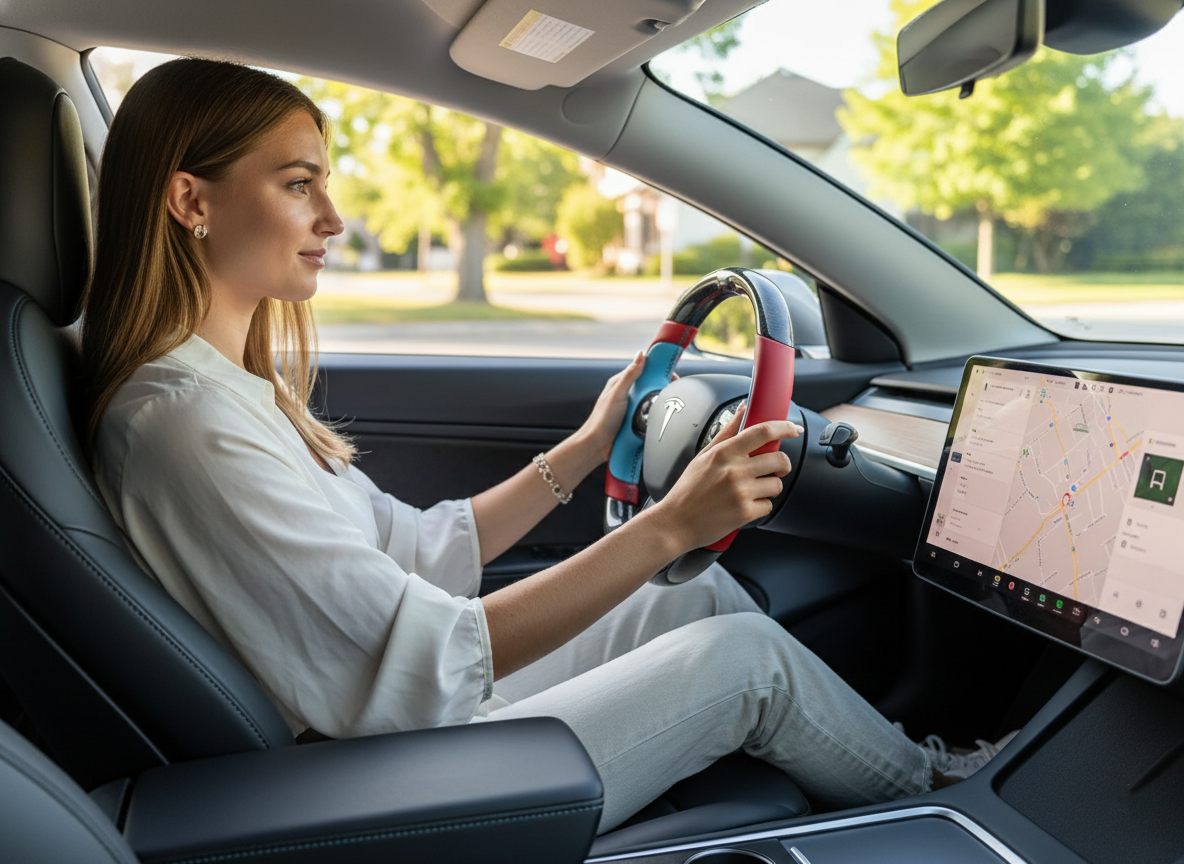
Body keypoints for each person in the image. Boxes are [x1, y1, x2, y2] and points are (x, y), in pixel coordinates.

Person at [81, 58, 976, 834]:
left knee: (693, 600)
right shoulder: (184, 423)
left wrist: (589, 446)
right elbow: (417, 656)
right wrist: (666, 527)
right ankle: (943, 793)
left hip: (401, 725)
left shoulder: (224, 393)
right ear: (191, 199)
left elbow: (413, 550)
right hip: (387, 769)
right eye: (298, 184)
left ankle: (911, 770)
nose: (335, 218)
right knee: (748, 666)